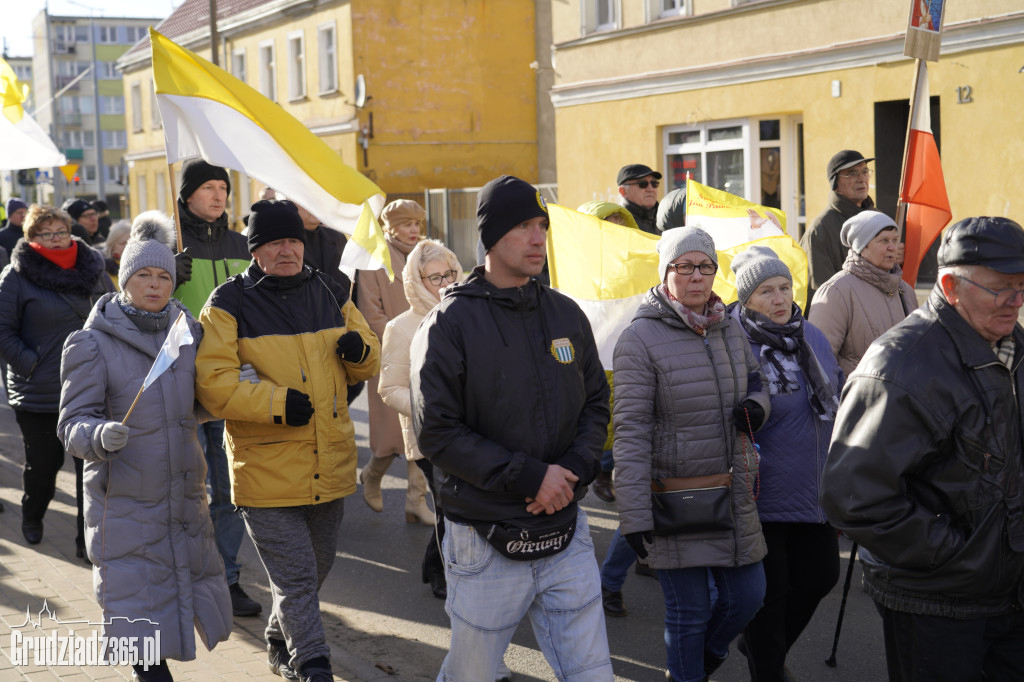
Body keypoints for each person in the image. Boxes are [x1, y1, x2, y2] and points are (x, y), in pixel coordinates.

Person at [411, 175, 614, 681]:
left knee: (592, 673)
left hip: (565, 528)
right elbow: (437, 432)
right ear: (491, 237)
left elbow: (595, 404)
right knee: (472, 675)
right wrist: (530, 478)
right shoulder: (449, 324)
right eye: (524, 225)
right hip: (485, 535)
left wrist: (569, 472)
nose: (538, 237)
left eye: (542, 225)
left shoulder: (566, 314)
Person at [820, 216, 1024, 682]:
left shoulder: (1013, 347)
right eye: (1001, 289)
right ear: (951, 285)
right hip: (937, 600)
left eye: (1022, 286)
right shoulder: (901, 365)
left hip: (1009, 593)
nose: (1016, 301)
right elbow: (853, 496)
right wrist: (958, 554)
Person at [196, 199, 380, 682]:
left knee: (314, 571)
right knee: (296, 578)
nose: (287, 250)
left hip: (332, 460)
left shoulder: (330, 286)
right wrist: (275, 403)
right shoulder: (226, 303)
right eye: (275, 242)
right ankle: (313, 664)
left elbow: (369, 360)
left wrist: (359, 352)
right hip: (266, 470)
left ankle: (280, 636)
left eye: (294, 241)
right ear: (256, 250)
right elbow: (214, 384)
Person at [58, 212, 232, 682]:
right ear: (124, 278)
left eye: (163, 276)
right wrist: (97, 436)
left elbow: (197, 405)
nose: (154, 285)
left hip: (182, 497)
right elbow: (72, 423)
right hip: (125, 501)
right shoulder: (92, 343)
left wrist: (232, 392)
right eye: (143, 275)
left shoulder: (187, 335)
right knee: (138, 606)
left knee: (174, 592)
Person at [613, 226, 769, 682]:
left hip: (732, 488)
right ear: (666, 273)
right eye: (685, 266)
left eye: (705, 266)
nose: (697, 276)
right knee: (690, 612)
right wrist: (634, 516)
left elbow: (756, 382)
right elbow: (631, 431)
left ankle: (702, 661)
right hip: (674, 497)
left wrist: (756, 410)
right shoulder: (639, 339)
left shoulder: (728, 327)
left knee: (748, 597)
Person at [727, 245, 843, 682]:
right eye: (765, 292)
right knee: (769, 597)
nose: (779, 299)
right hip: (762, 489)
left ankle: (758, 647)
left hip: (815, 487)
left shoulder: (809, 334)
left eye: (784, 287)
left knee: (819, 579)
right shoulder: (732, 339)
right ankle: (767, 668)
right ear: (745, 299)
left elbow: (836, 391)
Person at [174, 158, 262, 618]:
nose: (217, 195)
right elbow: (133, 310)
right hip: (181, 390)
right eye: (207, 187)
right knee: (187, 490)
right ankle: (184, 577)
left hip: (231, 386)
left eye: (222, 187)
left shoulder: (241, 244)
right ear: (186, 195)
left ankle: (227, 579)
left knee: (229, 492)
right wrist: (166, 277)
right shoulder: (166, 244)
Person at [0, 204, 112, 556]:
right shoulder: (16, 276)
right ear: (31, 239)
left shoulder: (92, 266)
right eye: (45, 233)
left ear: (71, 231)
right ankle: (33, 513)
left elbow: (114, 309)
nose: (55, 239)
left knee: (90, 470)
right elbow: (3, 331)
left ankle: (86, 541)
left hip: (91, 386)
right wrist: (32, 365)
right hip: (39, 391)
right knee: (45, 466)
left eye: (60, 231)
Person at [379, 239, 463, 601]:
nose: (444, 283)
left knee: (456, 507)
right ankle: (444, 574)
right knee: (450, 506)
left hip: (470, 431)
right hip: (429, 435)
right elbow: (389, 387)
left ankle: (433, 563)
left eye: (449, 274)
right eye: (434, 278)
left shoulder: (468, 313)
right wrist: (428, 407)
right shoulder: (401, 327)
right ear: (416, 280)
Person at [356, 199, 434, 527]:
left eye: (417, 223)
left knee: (422, 431)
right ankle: (373, 475)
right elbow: (370, 311)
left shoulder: (429, 255)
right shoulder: (374, 259)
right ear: (390, 227)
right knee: (391, 438)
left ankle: (415, 500)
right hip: (392, 358)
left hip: (428, 355)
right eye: (406, 224)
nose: (414, 230)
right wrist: (399, 343)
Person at [808, 210, 918, 377]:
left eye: (895, 240)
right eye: (883, 240)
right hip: (858, 400)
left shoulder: (905, 291)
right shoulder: (836, 292)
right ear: (862, 245)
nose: (892, 247)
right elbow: (818, 363)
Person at [799, 150, 877, 308]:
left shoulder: (878, 220)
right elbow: (822, 295)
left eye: (865, 172)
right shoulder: (819, 231)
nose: (862, 178)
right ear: (835, 184)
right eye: (852, 173)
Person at [617, 163, 662, 235]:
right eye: (643, 184)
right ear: (623, 191)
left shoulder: (665, 218)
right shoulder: (617, 221)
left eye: (654, 183)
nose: (650, 189)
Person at [101, 220, 131, 289]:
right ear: (111, 245)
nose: (127, 247)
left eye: (131, 243)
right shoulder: (102, 268)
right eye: (122, 243)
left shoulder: (141, 268)